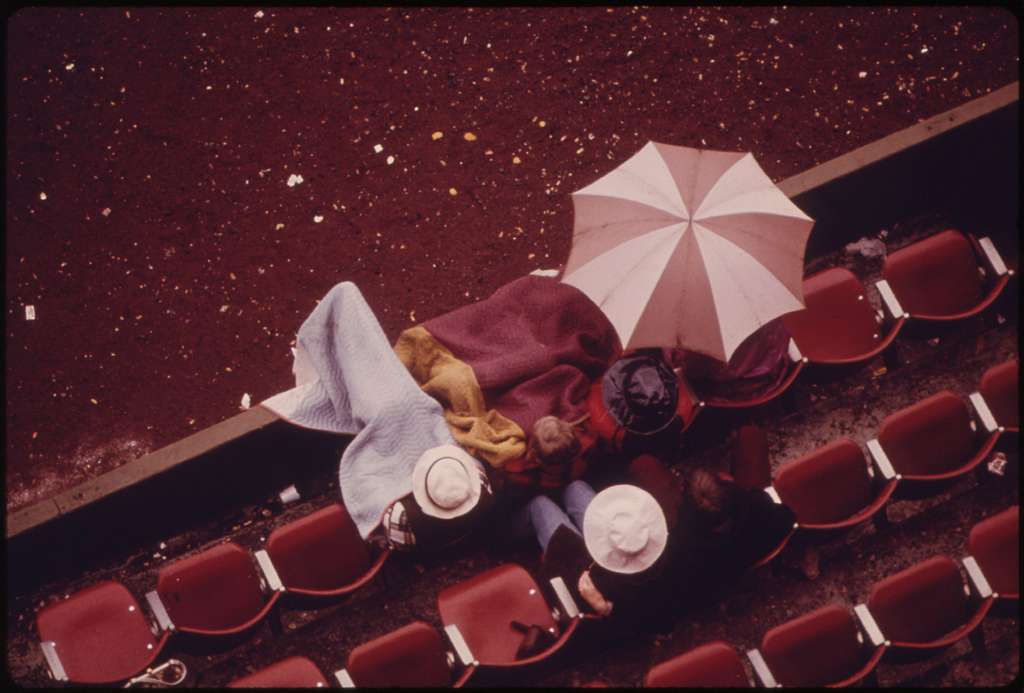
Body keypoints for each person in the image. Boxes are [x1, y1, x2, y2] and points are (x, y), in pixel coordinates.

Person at [512, 481, 676, 633]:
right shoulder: (664, 545)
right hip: (617, 531)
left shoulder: (623, 590)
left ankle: (505, 535)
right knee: (575, 488)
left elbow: (652, 615)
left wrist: (604, 608)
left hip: (578, 563)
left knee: (539, 505)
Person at [373, 444, 495, 553]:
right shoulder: (482, 486)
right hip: (464, 537)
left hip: (422, 555)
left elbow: (398, 545)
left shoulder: (400, 515)